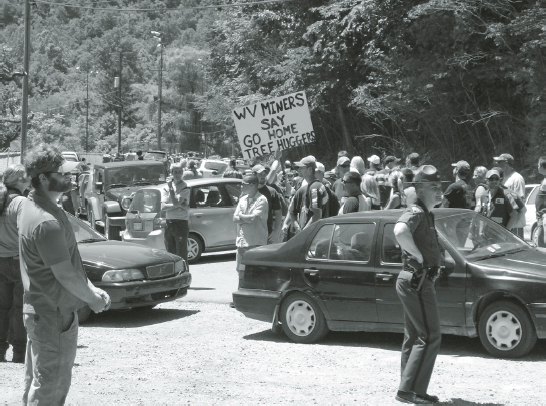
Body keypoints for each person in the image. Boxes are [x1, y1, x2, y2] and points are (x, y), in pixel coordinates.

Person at [19, 147, 110, 404]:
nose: (70, 178)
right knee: (51, 387)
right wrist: (93, 299)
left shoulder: (36, 205)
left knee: (38, 382)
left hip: (43, 311)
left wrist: (91, 288)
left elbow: (69, 261)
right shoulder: (46, 221)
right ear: (44, 178)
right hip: (53, 314)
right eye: (62, 173)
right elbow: (64, 274)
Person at [393, 165, 445, 405]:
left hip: (415, 280)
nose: (439, 190)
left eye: (439, 186)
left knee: (414, 336)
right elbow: (400, 230)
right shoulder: (417, 211)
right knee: (430, 334)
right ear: (421, 189)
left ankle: (411, 390)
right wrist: (419, 257)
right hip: (417, 280)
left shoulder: (426, 213)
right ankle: (410, 391)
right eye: (433, 187)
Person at [0, 165, 31, 363]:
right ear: (19, 180)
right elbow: (26, 232)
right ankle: (19, 353)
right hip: (18, 262)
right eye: (27, 177)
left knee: (2, 308)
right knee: (20, 308)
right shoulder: (21, 202)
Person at [233, 174, 268, 289]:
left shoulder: (262, 200)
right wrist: (245, 218)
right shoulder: (242, 199)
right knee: (241, 271)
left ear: (253, 185)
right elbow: (234, 218)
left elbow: (253, 219)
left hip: (255, 243)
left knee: (255, 272)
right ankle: (240, 294)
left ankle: (256, 296)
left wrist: (241, 217)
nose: (241, 186)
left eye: (243, 184)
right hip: (242, 242)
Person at [282, 156, 329, 235]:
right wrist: (295, 225)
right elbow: (291, 211)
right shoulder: (303, 189)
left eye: (301, 167)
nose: (298, 169)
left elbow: (317, 216)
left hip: (316, 235)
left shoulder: (315, 188)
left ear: (310, 169)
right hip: (308, 235)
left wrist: (303, 232)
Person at [161, 163, 191, 264]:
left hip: (181, 223)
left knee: (181, 255)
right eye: (175, 172)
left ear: (182, 173)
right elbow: (163, 207)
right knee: (171, 255)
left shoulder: (185, 187)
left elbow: (175, 202)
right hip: (169, 223)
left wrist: (171, 189)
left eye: (179, 172)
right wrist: (182, 206)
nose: (177, 174)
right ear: (171, 173)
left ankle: (184, 275)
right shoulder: (165, 188)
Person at [494, 153, 525, 237]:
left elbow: (520, 201)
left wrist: (513, 221)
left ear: (506, 163)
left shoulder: (517, 178)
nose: (497, 164)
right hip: (505, 223)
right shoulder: (501, 178)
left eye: (499, 162)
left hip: (515, 224)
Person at [252, 164, 282, 244]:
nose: (263, 176)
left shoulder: (272, 192)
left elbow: (278, 213)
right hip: (250, 234)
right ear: (254, 175)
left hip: (267, 234)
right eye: (260, 174)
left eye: (265, 174)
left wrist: (275, 231)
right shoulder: (247, 191)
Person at [535, 156, 546, 247]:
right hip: (541, 215)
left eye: (538, 165)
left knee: (542, 243)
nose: (537, 167)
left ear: (542, 166)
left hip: (544, 215)